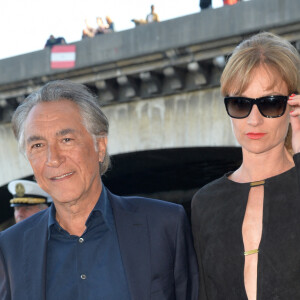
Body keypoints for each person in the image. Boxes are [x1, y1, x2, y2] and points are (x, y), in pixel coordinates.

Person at [0, 80, 199, 300]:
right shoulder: (10, 248)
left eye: (66, 140)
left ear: (100, 146)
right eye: (37, 146)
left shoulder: (165, 225)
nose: (53, 159)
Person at [192, 32, 300, 299]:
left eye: (270, 103)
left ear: (293, 104)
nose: (254, 120)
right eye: (240, 104)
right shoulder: (205, 203)